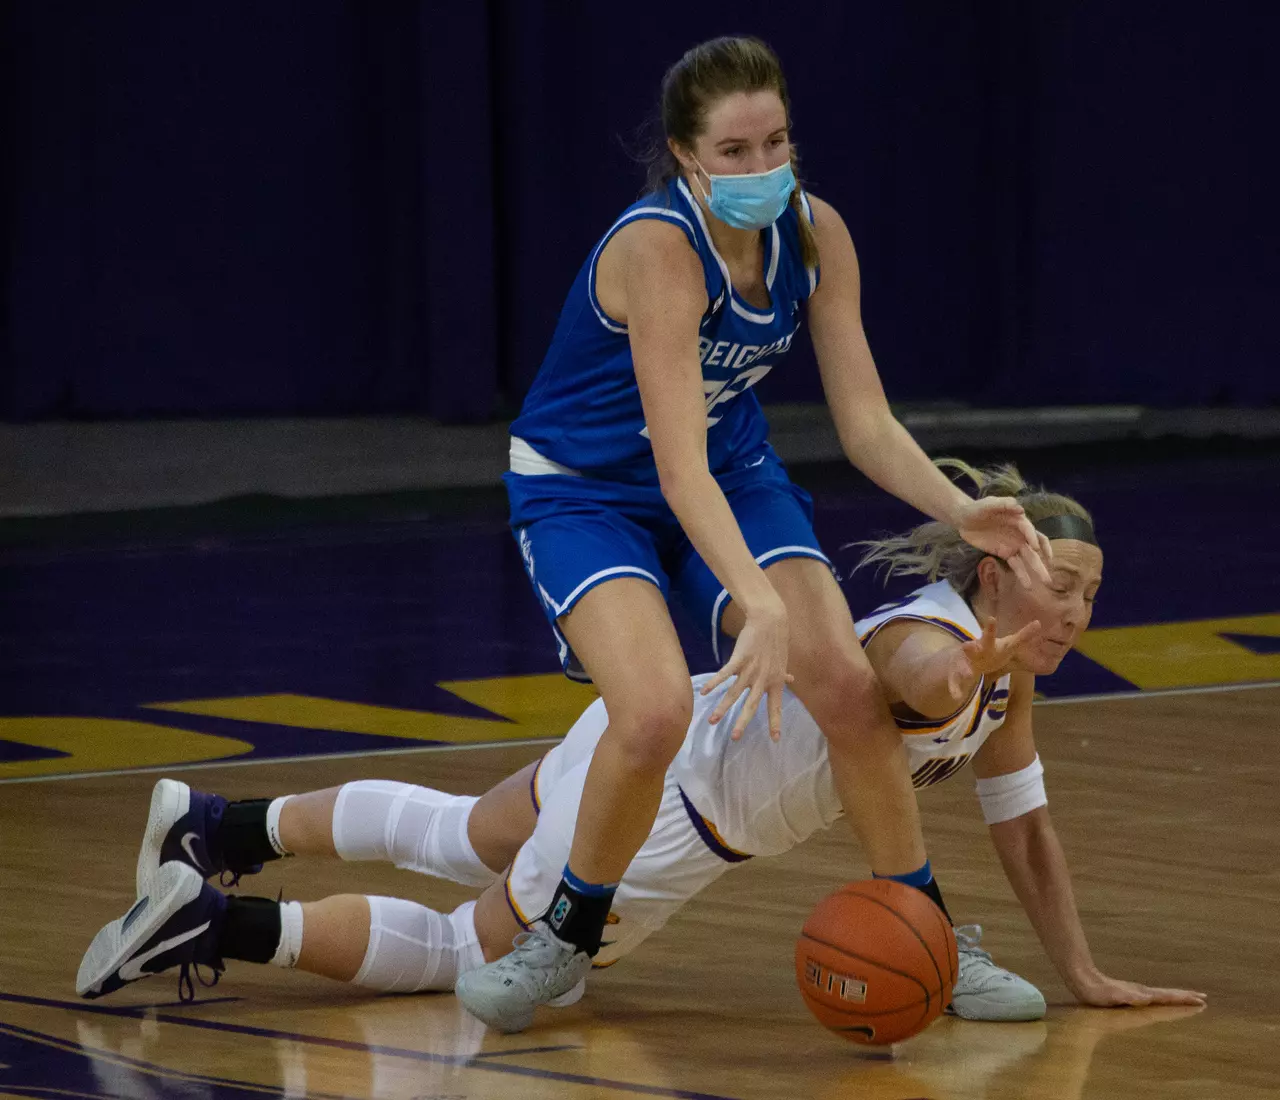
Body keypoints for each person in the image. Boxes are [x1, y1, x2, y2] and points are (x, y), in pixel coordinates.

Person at [77, 462, 1205, 1030]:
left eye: (1092, 595)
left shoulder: (1003, 678)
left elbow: (1028, 831)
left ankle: (211, 822)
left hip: (654, 721)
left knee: (471, 828)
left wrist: (1082, 973)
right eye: (1062, 585)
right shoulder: (940, 639)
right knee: (471, 947)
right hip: (673, 821)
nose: (1075, 612)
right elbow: (900, 682)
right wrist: (964, 669)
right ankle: (211, 918)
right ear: (998, 569)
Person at [480, 33, 1051, 1029]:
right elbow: (671, 466)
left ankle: (923, 923)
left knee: (841, 678)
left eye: (774, 143)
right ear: (684, 157)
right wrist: (751, 597)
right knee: (654, 713)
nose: (759, 169)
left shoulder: (816, 232)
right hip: (587, 490)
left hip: (729, 470)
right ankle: (564, 933)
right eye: (733, 152)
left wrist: (955, 505)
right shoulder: (656, 247)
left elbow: (862, 420)